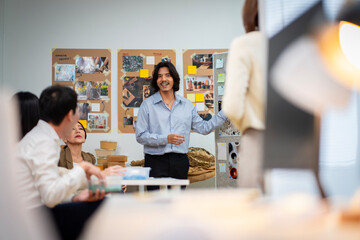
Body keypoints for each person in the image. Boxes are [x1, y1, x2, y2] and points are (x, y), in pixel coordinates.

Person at [16, 85, 106, 239]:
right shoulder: (43, 142)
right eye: (77, 110)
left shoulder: (40, 136)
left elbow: (46, 188)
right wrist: (82, 168)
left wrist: (74, 198)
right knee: (103, 208)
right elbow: (51, 196)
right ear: (70, 115)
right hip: (33, 218)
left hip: (32, 212)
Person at [136, 61, 227, 190]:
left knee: (177, 204)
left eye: (167, 75)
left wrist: (226, 112)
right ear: (156, 81)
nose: (164, 79)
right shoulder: (147, 105)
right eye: (160, 76)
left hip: (179, 162)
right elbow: (140, 136)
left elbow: (204, 127)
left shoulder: (187, 105)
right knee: (155, 205)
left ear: (174, 78)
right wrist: (165, 139)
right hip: (155, 162)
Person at [222, 0, 265, 188]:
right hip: (298, 143)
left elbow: (231, 106)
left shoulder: (245, 44)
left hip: (257, 137)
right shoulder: (297, 39)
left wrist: (246, 126)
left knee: (255, 210)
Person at [59, 121, 123, 177]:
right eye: (72, 129)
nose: (78, 131)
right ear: (64, 138)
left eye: (81, 128)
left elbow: (92, 181)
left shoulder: (90, 158)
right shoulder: (58, 157)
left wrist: (116, 181)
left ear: (85, 137)